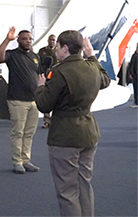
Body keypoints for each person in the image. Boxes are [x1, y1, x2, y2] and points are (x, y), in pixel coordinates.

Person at [35, 30, 110, 216]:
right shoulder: (91, 67)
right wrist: (91, 56)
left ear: (65, 48)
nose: (56, 51)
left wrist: (41, 88)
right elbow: (105, 80)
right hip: (89, 132)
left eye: (58, 47)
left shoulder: (59, 72)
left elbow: (44, 104)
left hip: (65, 136)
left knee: (67, 191)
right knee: (84, 185)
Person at [0, 27, 41, 174]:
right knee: (18, 132)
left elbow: (39, 75)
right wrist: (7, 39)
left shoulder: (35, 56)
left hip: (33, 100)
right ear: (18, 40)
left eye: (29, 39)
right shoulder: (12, 55)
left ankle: (26, 159)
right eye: (24, 39)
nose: (27, 41)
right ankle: (17, 162)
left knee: (29, 133)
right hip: (17, 100)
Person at [38, 34, 57, 128]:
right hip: (46, 76)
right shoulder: (42, 51)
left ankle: (56, 120)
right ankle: (46, 120)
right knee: (46, 97)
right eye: (50, 40)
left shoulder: (59, 51)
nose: (52, 41)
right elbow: (39, 64)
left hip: (56, 77)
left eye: (54, 40)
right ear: (48, 40)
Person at [127, 43, 138, 108]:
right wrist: (130, 73)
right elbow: (131, 65)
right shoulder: (134, 56)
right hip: (135, 74)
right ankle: (136, 101)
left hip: (136, 74)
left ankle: (137, 101)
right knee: (135, 88)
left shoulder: (134, 56)